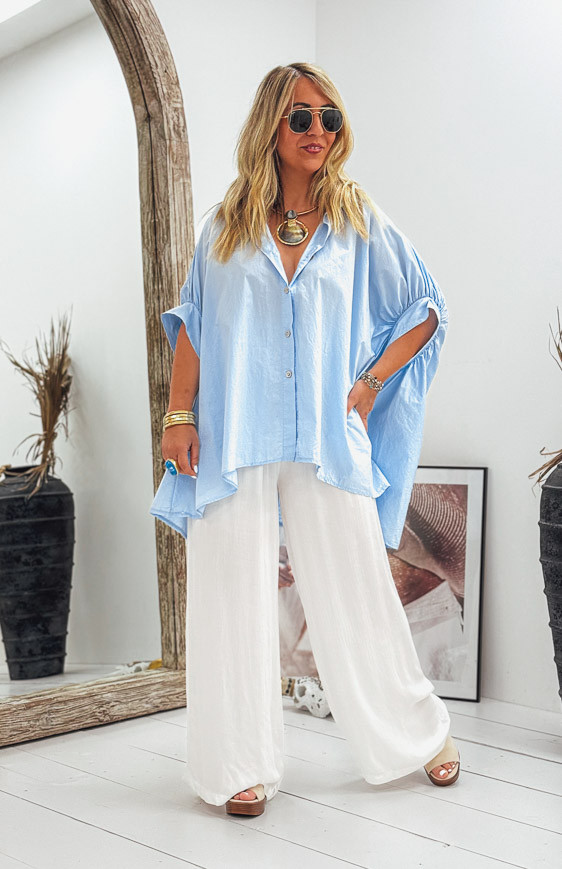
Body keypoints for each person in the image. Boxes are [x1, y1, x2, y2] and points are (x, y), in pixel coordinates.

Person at [150, 62, 460, 816]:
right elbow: (194, 322)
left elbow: (425, 307)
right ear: (271, 126)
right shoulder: (226, 224)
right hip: (233, 434)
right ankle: (237, 765)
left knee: (357, 588)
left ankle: (417, 735)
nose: (317, 130)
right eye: (300, 117)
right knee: (229, 596)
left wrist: (371, 383)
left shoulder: (359, 221)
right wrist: (179, 413)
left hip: (326, 433)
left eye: (329, 117)